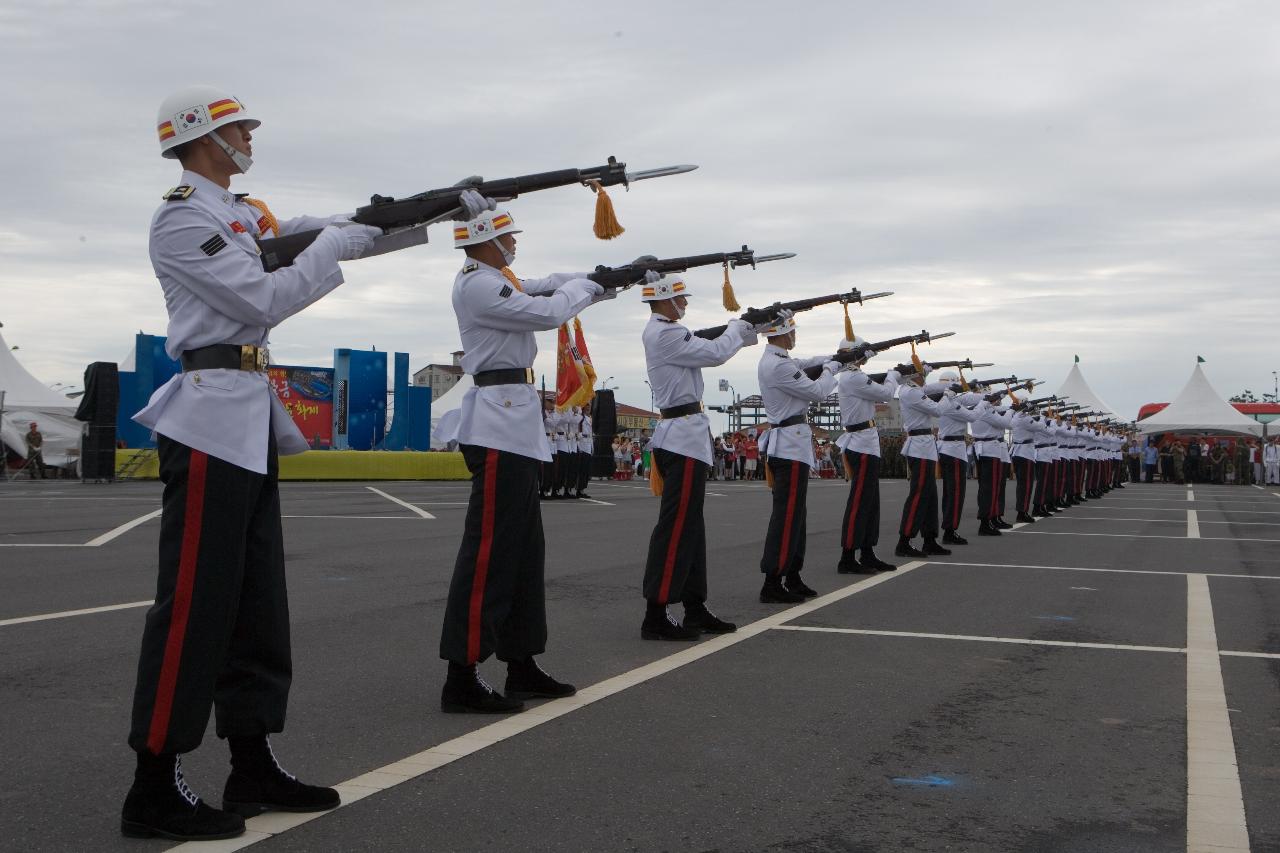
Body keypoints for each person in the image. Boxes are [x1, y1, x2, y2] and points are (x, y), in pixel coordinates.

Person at [124, 86, 484, 841]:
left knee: (257, 605)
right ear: (203, 138)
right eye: (239, 128)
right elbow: (259, 296)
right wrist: (330, 244)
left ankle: (251, 758)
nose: (251, 134)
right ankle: (153, 782)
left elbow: (344, 232)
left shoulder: (244, 213)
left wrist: (429, 211)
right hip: (208, 412)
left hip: (246, 413)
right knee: (195, 603)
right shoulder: (183, 214)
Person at [438, 207, 639, 713]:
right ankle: (461, 674)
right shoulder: (477, 285)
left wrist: (606, 278)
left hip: (517, 426)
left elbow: (550, 284)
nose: (514, 244)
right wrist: (590, 290)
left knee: (525, 556)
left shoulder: (499, 278)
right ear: (486, 239)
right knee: (489, 554)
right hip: (496, 426)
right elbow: (549, 311)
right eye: (508, 236)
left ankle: (520, 662)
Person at [638, 274, 759, 638]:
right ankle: (656, 614)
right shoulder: (666, 334)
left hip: (686, 437)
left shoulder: (666, 332)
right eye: (680, 299)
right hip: (682, 439)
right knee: (676, 527)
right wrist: (738, 328)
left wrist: (751, 326)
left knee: (691, 528)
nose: (685, 304)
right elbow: (716, 353)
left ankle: (694, 606)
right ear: (664, 300)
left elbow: (707, 341)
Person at [755, 315, 838, 601]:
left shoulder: (782, 359)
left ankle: (791, 573)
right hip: (788, 448)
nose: (794, 336)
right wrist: (831, 370)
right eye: (792, 331)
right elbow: (818, 391)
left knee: (797, 516)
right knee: (787, 516)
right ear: (782, 334)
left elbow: (808, 362)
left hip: (793, 446)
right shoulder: (777, 365)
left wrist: (837, 357)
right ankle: (773, 581)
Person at [833, 338, 900, 573]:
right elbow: (886, 393)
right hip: (860, 444)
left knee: (871, 503)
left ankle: (867, 551)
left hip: (867, 443)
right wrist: (894, 374)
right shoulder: (853, 377)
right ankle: (848, 556)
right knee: (860, 503)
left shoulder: (854, 376)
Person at [895, 362, 950, 557]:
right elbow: (937, 410)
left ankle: (930, 539)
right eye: (921, 373)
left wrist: (952, 385)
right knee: (919, 494)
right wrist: (949, 397)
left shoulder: (913, 389)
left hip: (925, 445)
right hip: (919, 446)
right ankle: (904, 540)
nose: (924, 376)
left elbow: (933, 388)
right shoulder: (912, 392)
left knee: (930, 495)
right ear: (914, 375)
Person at [933, 372, 987, 541]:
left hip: (949, 449)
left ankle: (949, 528)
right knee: (956, 493)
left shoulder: (948, 400)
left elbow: (969, 399)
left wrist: (983, 394)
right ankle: (950, 531)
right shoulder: (950, 403)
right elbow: (972, 415)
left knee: (950, 493)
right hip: (954, 450)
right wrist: (986, 401)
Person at [575, 405, 593, 497]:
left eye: (589, 407)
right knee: (581, 470)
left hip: (588, 444)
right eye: (586, 407)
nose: (588, 408)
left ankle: (582, 489)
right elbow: (577, 430)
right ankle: (578, 489)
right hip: (581, 444)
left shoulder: (589, 418)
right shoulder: (580, 418)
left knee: (586, 470)